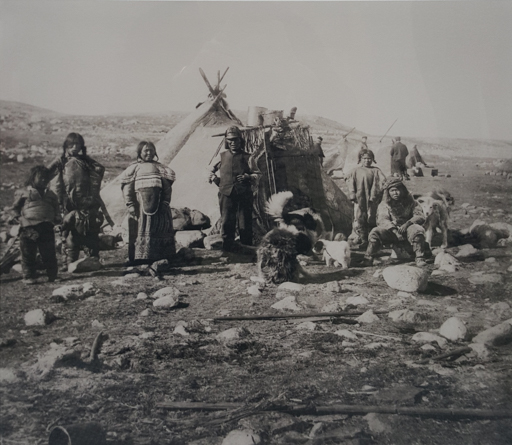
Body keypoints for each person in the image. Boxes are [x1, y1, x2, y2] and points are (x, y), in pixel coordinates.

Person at [48, 132, 113, 269]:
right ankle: (68, 261)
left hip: (86, 201)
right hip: (68, 202)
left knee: (90, 229)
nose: (75, 147)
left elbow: (100, 169)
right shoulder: (61, 161)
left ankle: (92, 258)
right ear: (66, 146)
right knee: (69, 232)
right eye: (72, 145)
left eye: (78, 145)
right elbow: (46, 173)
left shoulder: (85, 160)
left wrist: (92, 189)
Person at [120, 141, 176, 264]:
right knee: (140, 230)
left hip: (160, 207)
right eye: (146, 150)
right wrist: (130, 204)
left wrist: (165, 202)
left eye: (151, 150)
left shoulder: (161, 168)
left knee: (160, 228)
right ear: (139, 152)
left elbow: (167, 188)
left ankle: (162, 256)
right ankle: (140, 258)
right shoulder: (134, 168)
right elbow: (128, 189)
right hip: (140, 207)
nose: (149, 153)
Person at [209, 126, 258, 252]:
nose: (233, 142)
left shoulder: (248, 157)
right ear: (226, 141)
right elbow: (208, 170)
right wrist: (214, 178)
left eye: (235, 139)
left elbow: (258, 174)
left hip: (244, 194)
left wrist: (248, 177)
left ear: (240, 140)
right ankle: (228, 251)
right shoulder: (221, 156)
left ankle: (247, 250)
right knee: (227, 222)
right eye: (230, 140)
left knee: (245, 222)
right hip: (226, 194)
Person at [362, 178, 431, 267]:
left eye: (398, 190)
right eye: (392, 190)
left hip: (408, 230)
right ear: (388, 192)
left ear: (403, 190)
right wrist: (394, 230)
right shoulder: (384, 204)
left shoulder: (411, 202)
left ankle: (420, 258)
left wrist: (407, 224)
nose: (395, 193)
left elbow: (420, 216)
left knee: (418, 230)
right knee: (375, 232)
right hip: (392, 232)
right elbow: (382, 219)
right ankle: (368, 259)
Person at [11, 166, 60, 284]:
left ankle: (52, 275)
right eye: (41, 177)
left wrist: (57, 218)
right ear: (32, 178)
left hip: (46, 226)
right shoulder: (24, 193)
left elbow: (56, 208)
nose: (44, 180)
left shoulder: (51, 194)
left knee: (49, 252)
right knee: (28, 253)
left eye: (46, 178)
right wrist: (19, 219)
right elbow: (15, 209)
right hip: (28, 227)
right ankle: (29, 276)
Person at [347, 149, 386, 247]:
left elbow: (383, 181)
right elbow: (349, 181)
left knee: (371, 216)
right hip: (359, 198)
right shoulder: (355, 171)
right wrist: (352, 193)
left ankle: (372, 238)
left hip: (372, 199)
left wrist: (379, 191)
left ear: (373, 159)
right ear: (360, 159)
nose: (367, 160)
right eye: (364, 158)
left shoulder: (376, 170)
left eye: (369, 158)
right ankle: (361, 237)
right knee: (359, 217)